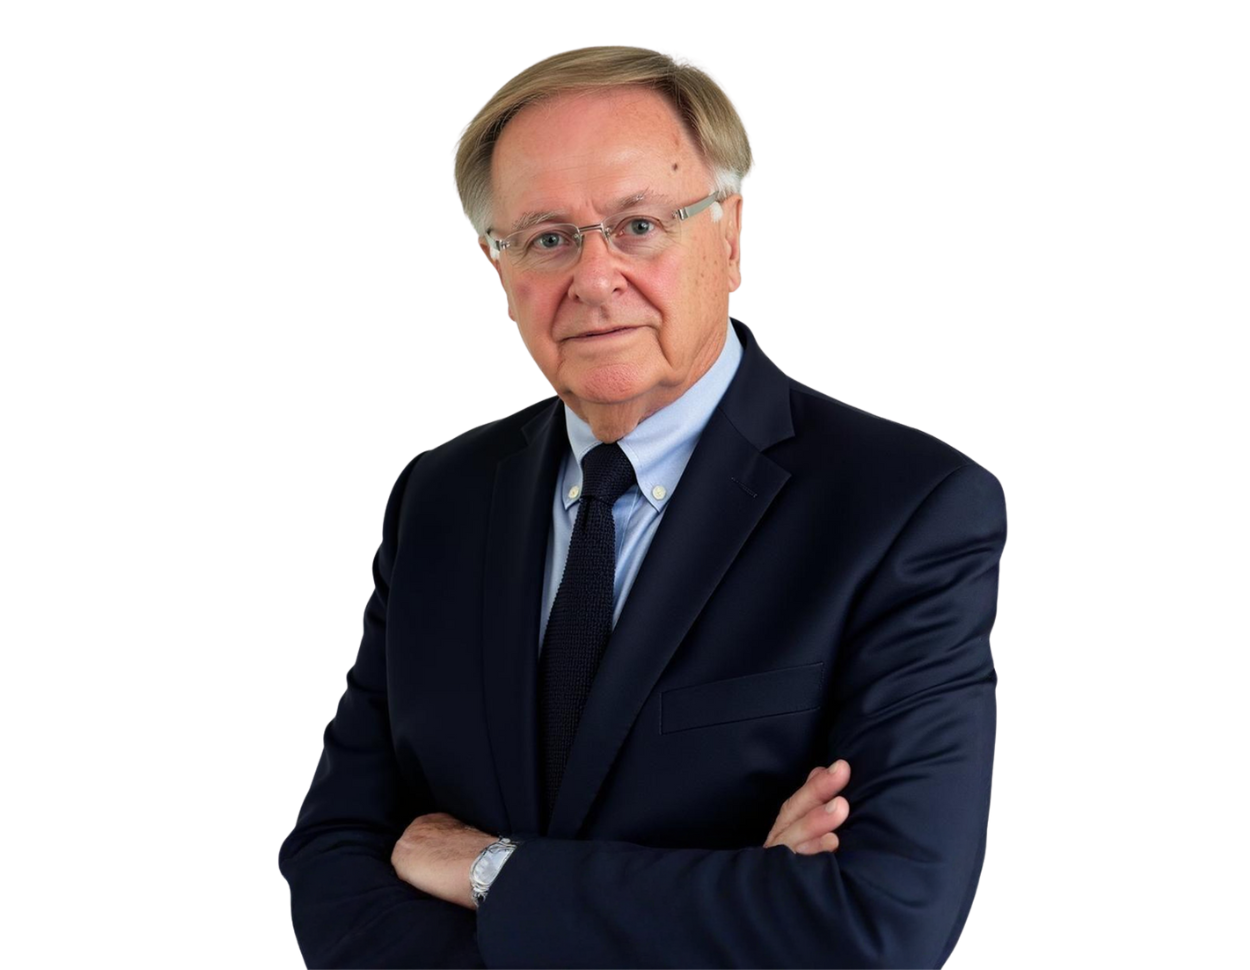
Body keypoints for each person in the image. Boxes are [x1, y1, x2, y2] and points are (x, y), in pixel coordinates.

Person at [277, 45, 1006, 970]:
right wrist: (737, 888)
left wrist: (492, 871)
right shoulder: (440, 497)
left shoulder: (906, 509)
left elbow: (877, 925)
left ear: (731, 233)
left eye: (638, 225)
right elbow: (330, 860)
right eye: (546, 237)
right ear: (497, 269)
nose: (593, 276)